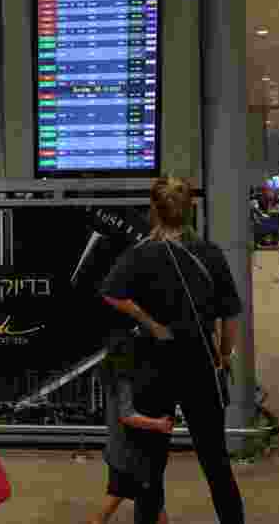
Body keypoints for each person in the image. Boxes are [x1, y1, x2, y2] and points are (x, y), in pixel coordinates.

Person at [101, 177, 245, 524]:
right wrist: (223, 355)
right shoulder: (211, 253)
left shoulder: (140, 254)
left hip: (155, 364)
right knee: (215, 460)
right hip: (200, 365)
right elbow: (230, 317)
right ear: (190, 211)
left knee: (150, 461)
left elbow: (111, 293)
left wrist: (150, 323)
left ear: (153, 210)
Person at [90, 330, 172, 524]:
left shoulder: (109, 375)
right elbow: (127, 416)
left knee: (148, 497)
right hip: (130, 451)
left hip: (118, 447)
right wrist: (158, 424)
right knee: (146, 495)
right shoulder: (124, 378)